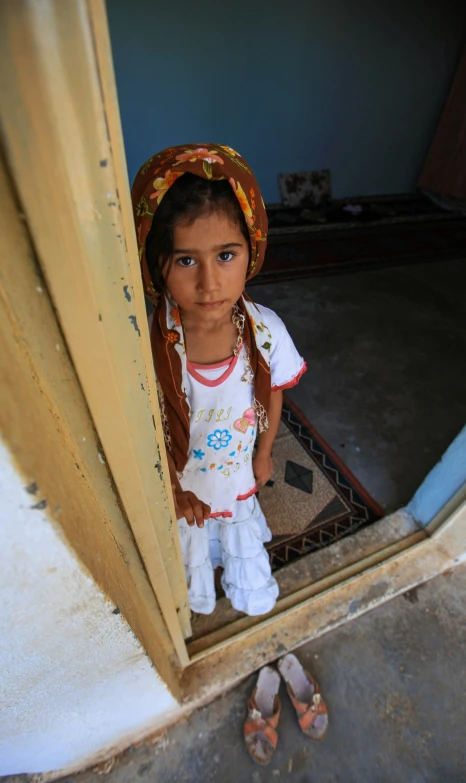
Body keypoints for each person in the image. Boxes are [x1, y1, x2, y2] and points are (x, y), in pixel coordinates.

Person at [132, 144, 306, 617]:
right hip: (185, 484)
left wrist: (265, 451)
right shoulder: (148, 345)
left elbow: (272, 392)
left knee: (238, 530)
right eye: (185, 261)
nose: (209, 283)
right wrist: (168, 485)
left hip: (236, 473)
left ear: (252, 248)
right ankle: (200, 595)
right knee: (194, 539)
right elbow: (143, 424)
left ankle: (249, 593)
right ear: (154, 263)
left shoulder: (264, 330)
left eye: (225, 255)